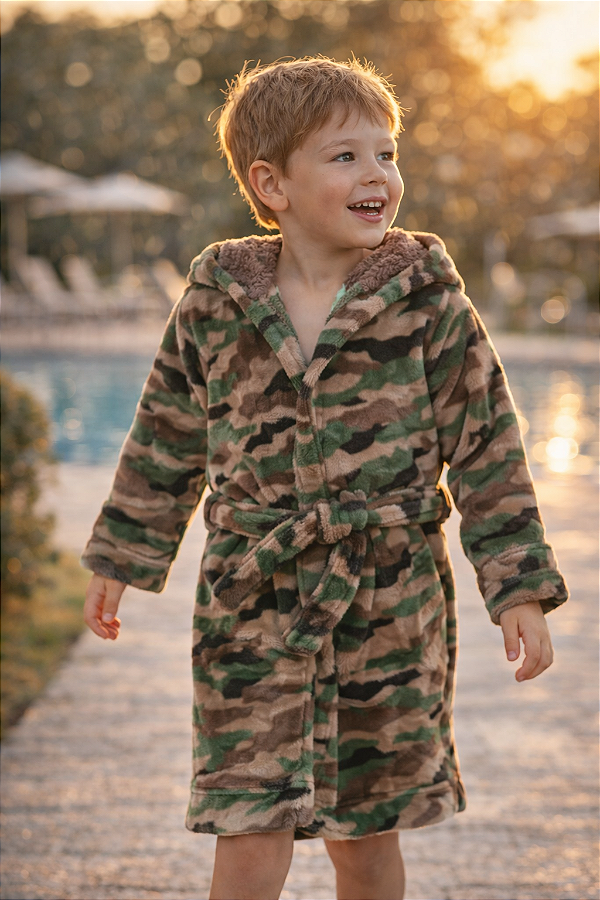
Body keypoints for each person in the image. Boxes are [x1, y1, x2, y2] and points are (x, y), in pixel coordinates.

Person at [81, 57, 568, 900]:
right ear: (271, 183)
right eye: (346, 156)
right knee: (247, 825)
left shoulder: (428, 304)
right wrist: (122, 555)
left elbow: (488, 447)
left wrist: (517, 584)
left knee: (367, 838)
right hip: (252, 601)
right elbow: (165, 438)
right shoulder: (214, 303)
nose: (377, 174)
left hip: (388, 603)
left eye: (387, 153)